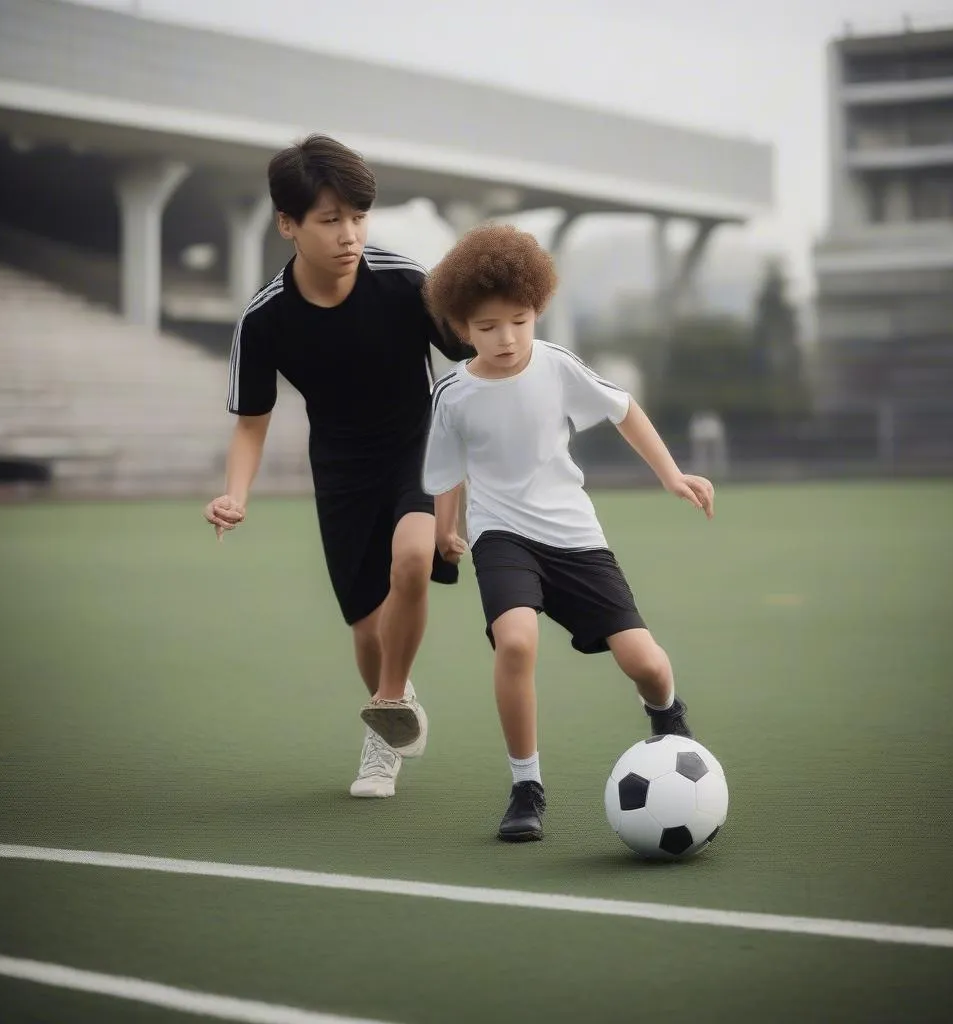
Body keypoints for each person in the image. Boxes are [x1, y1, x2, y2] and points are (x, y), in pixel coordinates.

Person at [421, 224, 715, 842]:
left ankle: (666, 713)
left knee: (647, 664)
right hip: (501, 536)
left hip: (576, 538)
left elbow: (626, 411)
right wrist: (447, 534)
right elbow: (447, 472)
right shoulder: (451, 394)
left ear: (538, 309)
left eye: (520, 321)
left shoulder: (556, 366)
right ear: (460, 328)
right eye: (488, 326)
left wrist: (671, 474)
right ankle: (526, 785)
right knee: (517, 644)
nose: (506, 339)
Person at [203, 134, 472, 799]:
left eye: (358, 216)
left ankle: (383, 729)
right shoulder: (265, 320)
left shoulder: (408, 283)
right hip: (343, 469)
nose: (349, 234)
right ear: (288, 224)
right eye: (330, 220)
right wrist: (235, 495)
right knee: (365, 627)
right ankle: (395, 700)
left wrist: (461, 504)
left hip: (420, 445)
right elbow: (251, 422)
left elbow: (474, 365)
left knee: (410, 561)